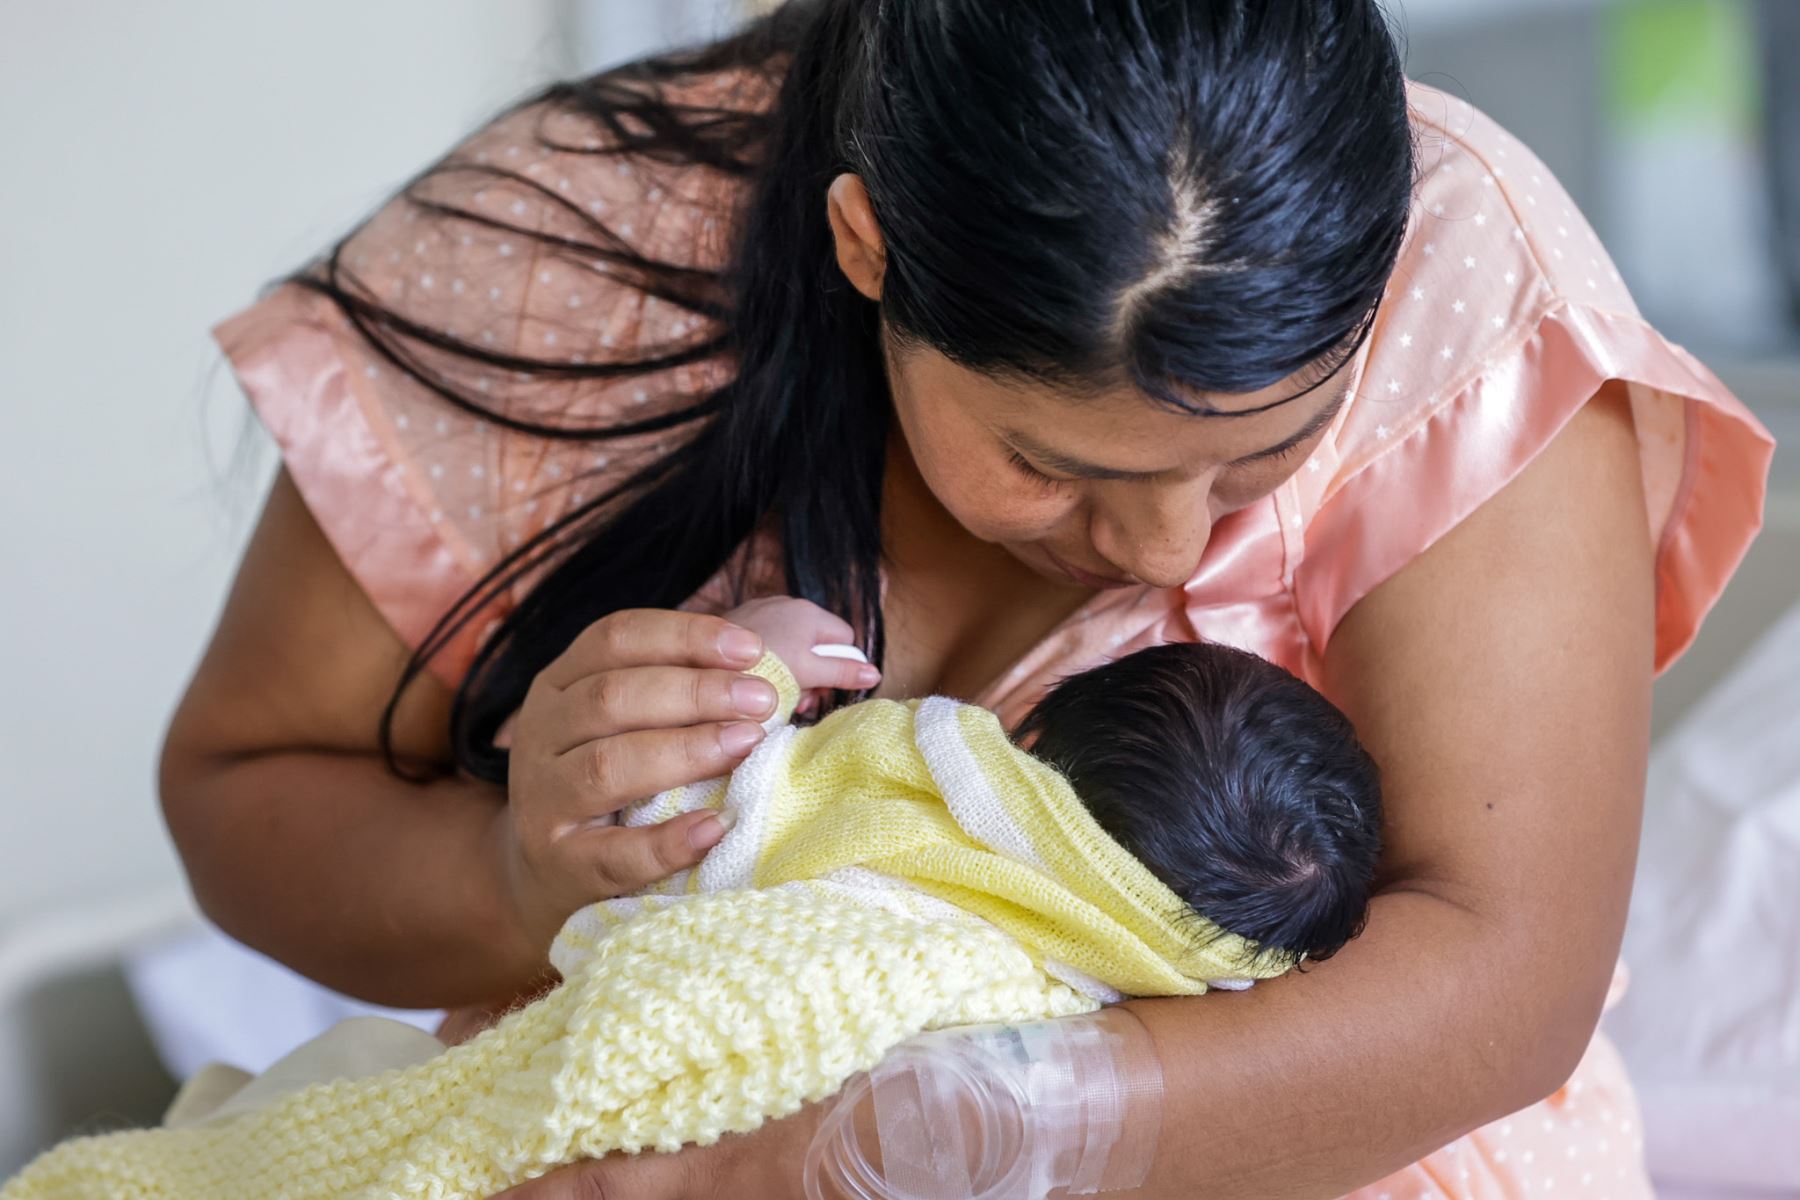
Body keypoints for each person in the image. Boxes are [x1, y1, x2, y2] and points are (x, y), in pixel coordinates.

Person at [159, 1, 1775, 1196]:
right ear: (866, 248)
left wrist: (926, 1144)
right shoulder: (572, 253)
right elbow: (247, 780)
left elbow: (1505, 982)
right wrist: (519, 878)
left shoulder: (1460, 267)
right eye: (1049, 462)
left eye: (1255, 460)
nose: (1161, 550)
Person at [7, 598, 1381, 1199]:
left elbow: (699, 815)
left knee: (336, 1100)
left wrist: (759, 673)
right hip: (598, 1092)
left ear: (1030, 737)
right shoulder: (1104, 990)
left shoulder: (919, 776)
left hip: (555, 1076)